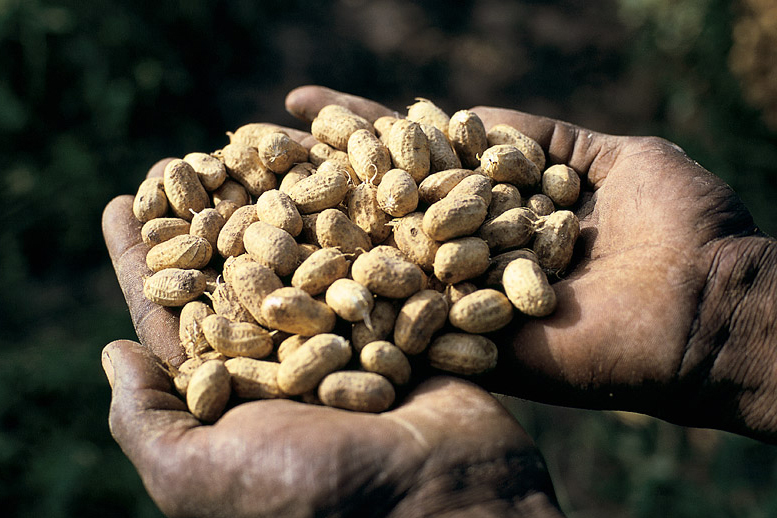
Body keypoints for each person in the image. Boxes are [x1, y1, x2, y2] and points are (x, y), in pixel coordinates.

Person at [101, 85, 777, 517]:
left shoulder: (475, 220)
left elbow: (453, 238)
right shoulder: (276, 252)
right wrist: (725, 312)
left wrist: (727, 306)